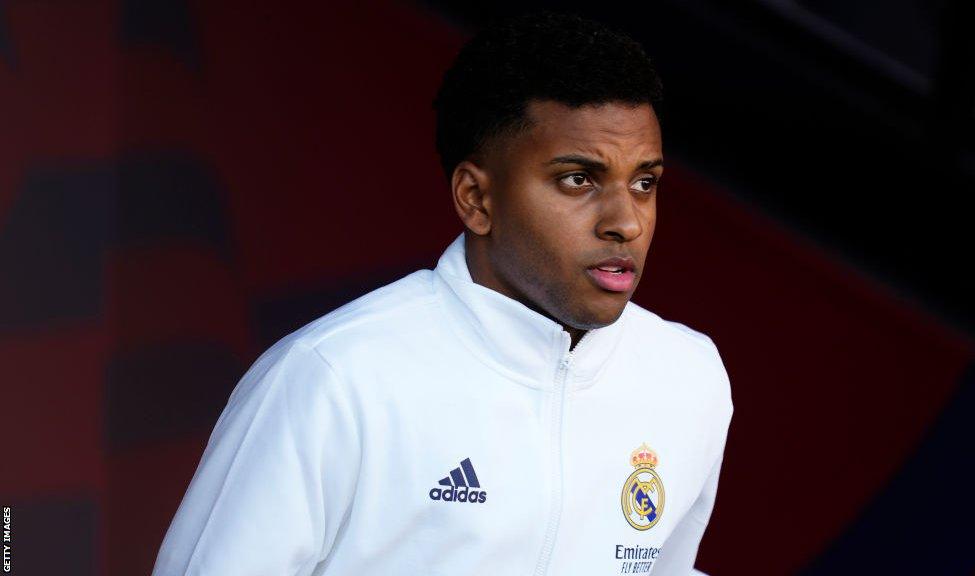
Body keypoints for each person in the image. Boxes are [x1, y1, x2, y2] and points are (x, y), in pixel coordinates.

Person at [152, 10, 732, 576]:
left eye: (644, 183)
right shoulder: (335, 378)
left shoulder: (687, 376)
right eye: (578, 179)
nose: (625, 222)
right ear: (476, 198)